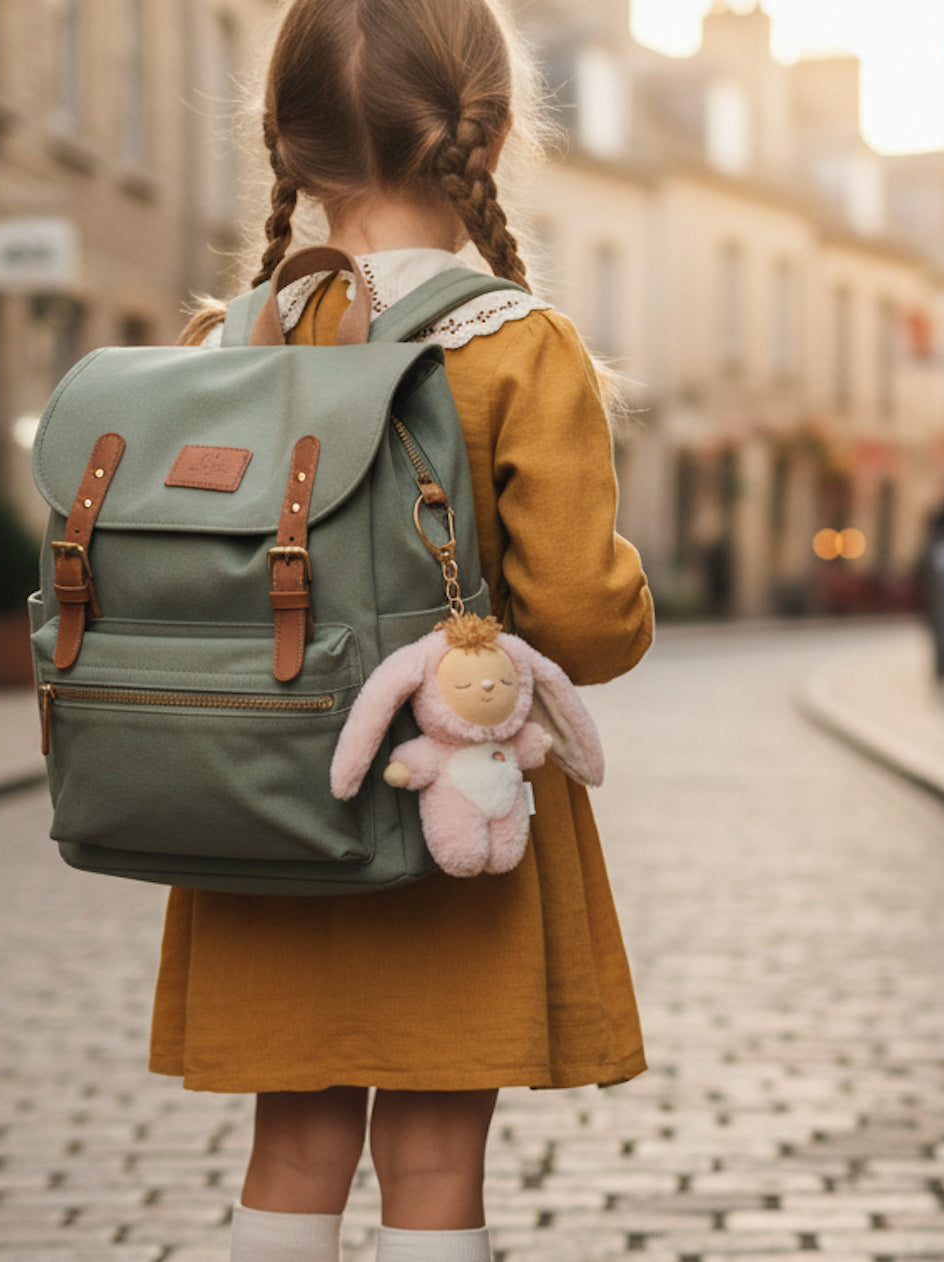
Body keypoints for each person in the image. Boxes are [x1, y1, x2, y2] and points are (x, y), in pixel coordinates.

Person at [149, 2, 654, 1259]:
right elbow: (583, 617)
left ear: (282, 136)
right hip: (455, 818)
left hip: (256, 796)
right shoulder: (516, 346)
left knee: (291, 1140)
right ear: (482, 133)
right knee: (433, 1147)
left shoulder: (220, 345)